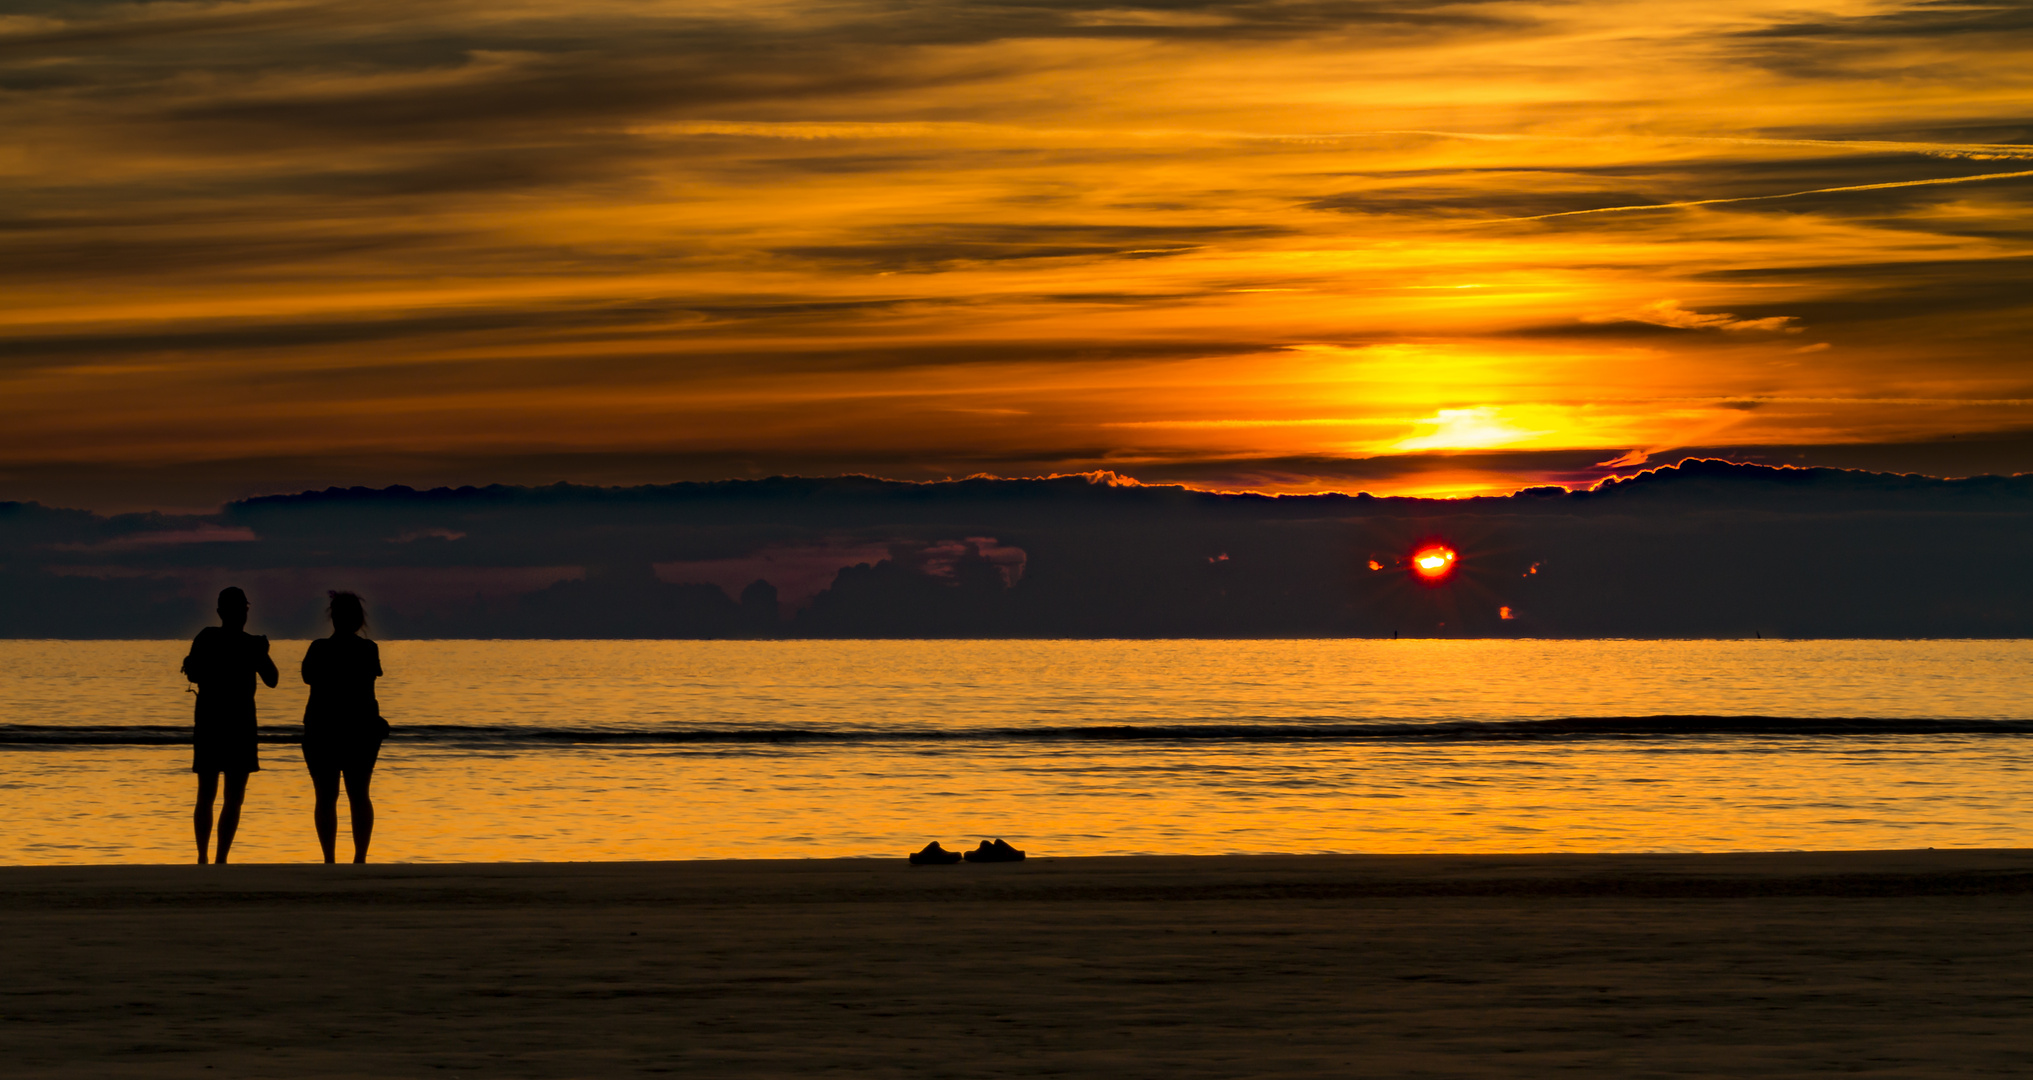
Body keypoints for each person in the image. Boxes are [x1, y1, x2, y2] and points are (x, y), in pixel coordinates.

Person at [181, 586, 279, 865]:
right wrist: (263, 651)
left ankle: (205, 857)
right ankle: (218, 859)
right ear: (242, 612)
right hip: (239, 723)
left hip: (211, 720)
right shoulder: (252, 644)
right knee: (231, 797)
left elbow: (195, 671)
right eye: (243, 609)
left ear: (220, 612)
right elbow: (272, 679)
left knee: (208, 793)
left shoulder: (207, 638)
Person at [300, 591, 388, 864]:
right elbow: (367, 689)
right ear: (358, 620)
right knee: (358, 794)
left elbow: (308, 678)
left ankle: (330, 858)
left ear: (333, 618)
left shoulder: (319, 648)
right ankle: (359, 858)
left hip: (323, 728)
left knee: (326, 796)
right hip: (358, 730)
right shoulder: (367, 649)